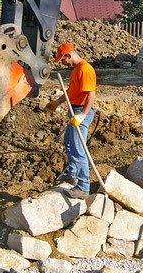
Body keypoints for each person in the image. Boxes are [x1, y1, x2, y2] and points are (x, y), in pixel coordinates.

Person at [45, 43, 96, 199]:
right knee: (68, 142)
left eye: (63, 60)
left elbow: (91, 95)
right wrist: (57, 102)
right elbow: (70, 92)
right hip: (74, 110)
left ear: (69, 55)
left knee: (78, 148)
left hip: (82, 111)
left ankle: (83, 187)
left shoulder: (85, 69)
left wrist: (81, 116)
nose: (62, 63)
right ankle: (73, 175)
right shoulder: (76, 70)